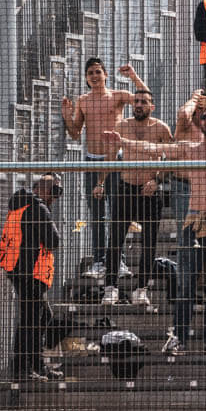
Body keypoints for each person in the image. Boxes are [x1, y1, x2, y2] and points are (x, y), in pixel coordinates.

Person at [105, 105, 206, 354]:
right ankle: (179, 338)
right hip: (193, 221)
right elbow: (154, 148)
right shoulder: (190, 149)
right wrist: (123, 142)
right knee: (186, 283)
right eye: (204, 117)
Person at [62, 58, 148, 280]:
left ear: (106, 74)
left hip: (116, 161)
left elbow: (145, 99)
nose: (94, 76)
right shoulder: (83, 100)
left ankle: (118, 261)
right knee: (97, 214)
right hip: (93, 161)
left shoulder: (118, 96)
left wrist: (133, 76)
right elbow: (75, 133)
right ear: (86, 77)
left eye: (98, 72)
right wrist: (67, 116)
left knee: (118, 213)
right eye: (90, 72)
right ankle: (100, 261)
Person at [98, 90, 173, 306]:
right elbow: (111, 156)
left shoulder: (161, 128)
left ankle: (141, 289)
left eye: (144, 102)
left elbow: (172, 157)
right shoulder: (122, 126)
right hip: (126, 188)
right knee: (115, 241)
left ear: (152, 106)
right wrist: (100, 182)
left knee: (148, 243)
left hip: (150, 192)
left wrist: (157, 180)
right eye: (136, 101)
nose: (138, 105)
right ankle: (110, 288)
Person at [0, 173, 64, 382]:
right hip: (31, 273)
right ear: (45, 190)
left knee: (39, 317)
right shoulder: (38, 208)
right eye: (55, 190)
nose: (56, 197)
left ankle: (35, 366)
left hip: (19, 270)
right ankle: (24, 368)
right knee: (31, 320)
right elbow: (53, 241)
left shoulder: (19, 206)